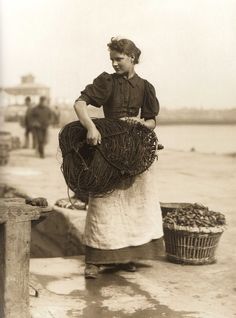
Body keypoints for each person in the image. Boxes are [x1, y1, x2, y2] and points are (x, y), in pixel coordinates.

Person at [74, 37, 163, 279]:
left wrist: (142, 123)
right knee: (103, 201)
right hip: (109, 147)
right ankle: (95, 259)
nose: (114, 63)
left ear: (132, 58)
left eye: (119, 59)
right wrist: (91, 128)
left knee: (134, 201)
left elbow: (152, 120)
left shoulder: (145, 86)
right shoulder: (107, 82)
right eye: (112, 59)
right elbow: (80, 104)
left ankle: (125, 256)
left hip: (135, 149)